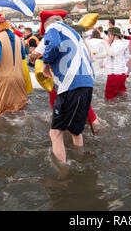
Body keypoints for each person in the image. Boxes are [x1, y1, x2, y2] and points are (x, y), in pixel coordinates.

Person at [34, 10, 94, 165]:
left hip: (70, 85)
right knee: (76, 132)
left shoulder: (53, 26)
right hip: (87, 83)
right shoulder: (74, 33)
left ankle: (63, 174)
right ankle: (80, 162)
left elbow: (52, 44)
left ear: (46, 24)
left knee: (55, 134)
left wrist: (46, 64)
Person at [0, 14, 28, 118]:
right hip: (19, 77)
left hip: (4, 78)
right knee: (17, 109)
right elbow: (23, 56)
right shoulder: (17, 37)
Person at [102, 27, 128, 100]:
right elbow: (108, 54)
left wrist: (106, 44)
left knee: (109, 97)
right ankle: (124, 108)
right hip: (121, 73)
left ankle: (117, 109)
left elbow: (111, 54)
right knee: (121, 93)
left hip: (115, 74)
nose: (108, 36)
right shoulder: (117, 43)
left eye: (109, 34)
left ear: (113, 35)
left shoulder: (117, 44)